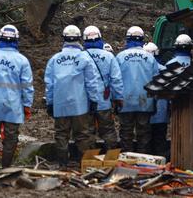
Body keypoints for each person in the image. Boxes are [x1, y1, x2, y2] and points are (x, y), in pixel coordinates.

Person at [45, 25, 103, 169]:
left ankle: (63, 165)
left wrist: (50, 103)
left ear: (64, 38)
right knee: (83, 135)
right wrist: (94, 100)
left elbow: (49, 84)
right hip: (80, 105)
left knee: (61, 135)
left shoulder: (55, 59)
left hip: (60, 105)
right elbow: (92, 82)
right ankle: (85, 166)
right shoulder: (85, 58)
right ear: (79, 38)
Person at [0, 24, 34, 173]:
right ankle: (6, 170)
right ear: (16, 40)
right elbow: (27, 86)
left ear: (0, 38)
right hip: (13, 106)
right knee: (10, 139)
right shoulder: (22, 60)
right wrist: (27, 105)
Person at [115, 26, 160, 153]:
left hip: (125, 101)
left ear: (128, 39)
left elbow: (115, 79)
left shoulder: (120, 57)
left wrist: (116, 98)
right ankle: (142, 158)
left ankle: (127, 158)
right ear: (142, 39)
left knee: (126, 132)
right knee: (144, 133)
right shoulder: (150, 58)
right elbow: (156, 80)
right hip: (145, 101)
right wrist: (155, 100)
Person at [81, 25, 124, 150]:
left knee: (87, 133)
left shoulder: (81, 56)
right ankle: (111, 157)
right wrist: (118, 98)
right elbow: (116, 80)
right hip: (104, 102)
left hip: (85, 103)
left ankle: (88, 159)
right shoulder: (109, 56)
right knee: (108, 131)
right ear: (100, 38)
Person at [144, 42, 169, 158]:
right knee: (160, 141)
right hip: (162, 112)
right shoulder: (165, 70)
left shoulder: (142, 70)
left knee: (146, 141)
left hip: (145, 110)